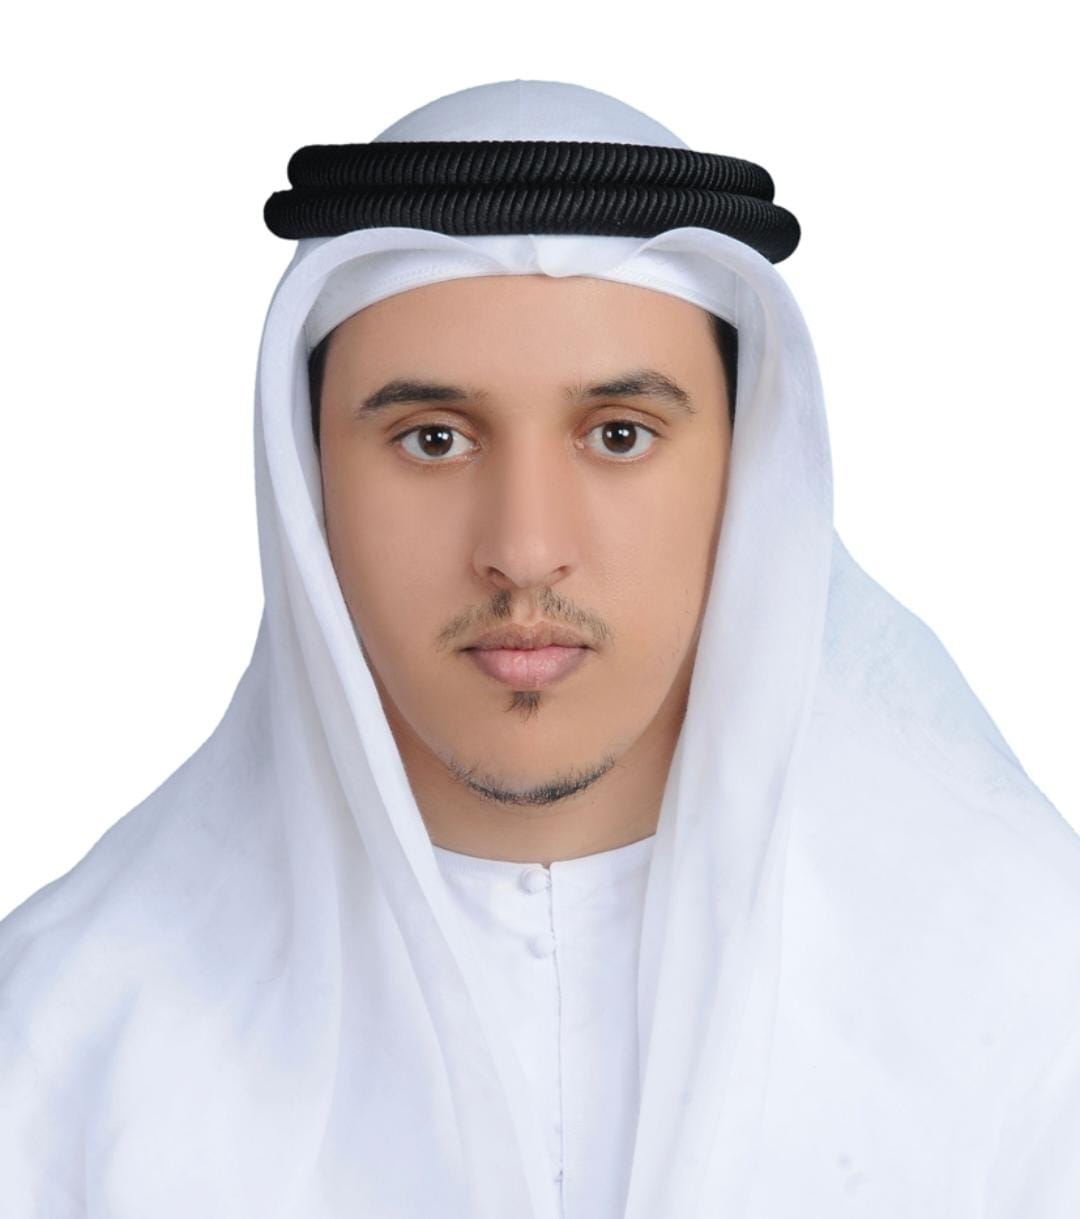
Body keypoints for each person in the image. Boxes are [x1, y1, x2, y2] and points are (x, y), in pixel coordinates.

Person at [2, 78, 1078, 1219]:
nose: (523, 550)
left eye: (618, 434)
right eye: (433, 439)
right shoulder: (61, 1045)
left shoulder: (1031, 1000)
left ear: (748, 471)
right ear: (310, 482)